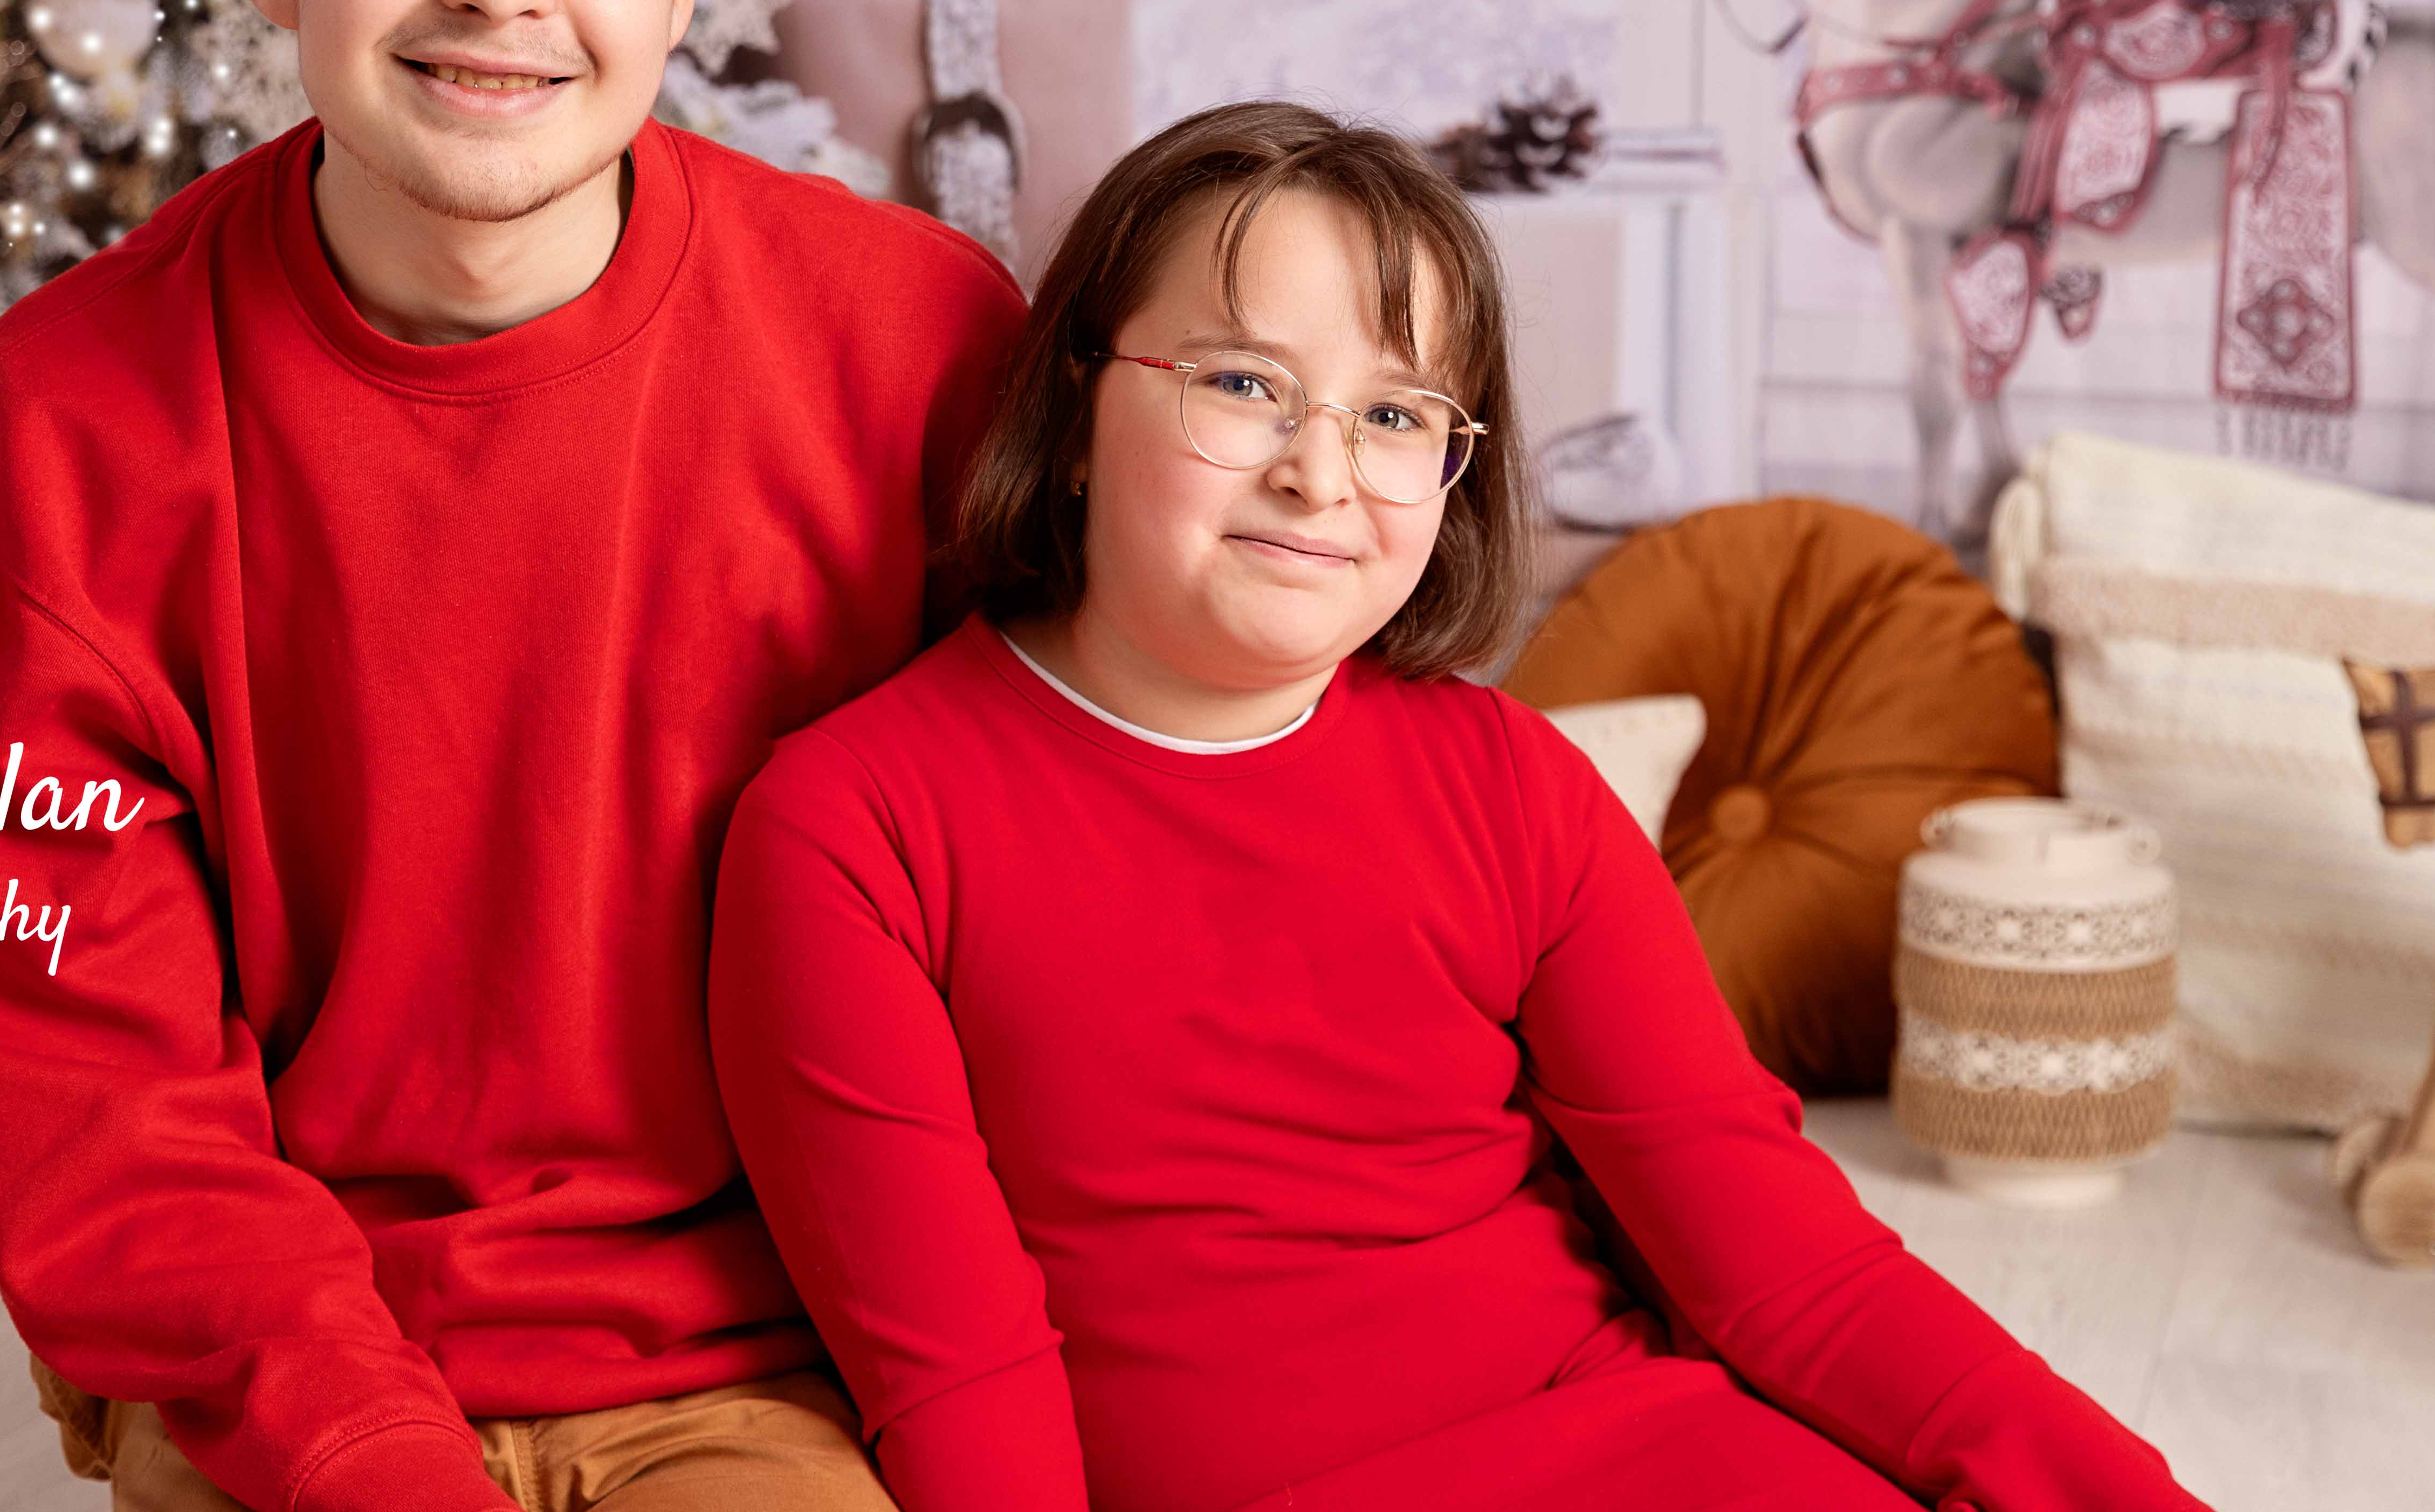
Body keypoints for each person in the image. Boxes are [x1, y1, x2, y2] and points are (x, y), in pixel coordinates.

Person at [0, 0, 1023, 1512]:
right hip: (281, 1368)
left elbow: (1092, 902)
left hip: (780, 1360)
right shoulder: (32, 459)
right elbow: (89, 1102)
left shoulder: (922, 355)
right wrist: (371, 1457)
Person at [706, 102, 2216, 1512]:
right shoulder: (854, 826)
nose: (1320, 475)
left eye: (1394, 415)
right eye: (1242, 383)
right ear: (1080, 406)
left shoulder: (1510, 783)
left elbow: (1787, 1269)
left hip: (1641, 1453)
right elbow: (960, 1381)